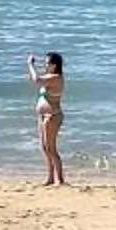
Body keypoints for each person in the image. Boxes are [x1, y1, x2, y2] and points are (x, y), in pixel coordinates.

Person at [27, 52, 67, 186]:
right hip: (44, 115)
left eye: (48, 63)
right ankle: (50, 178)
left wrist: (30, 65)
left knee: (52, 148)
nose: (45, 65)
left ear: (55, 65)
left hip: (52, 116)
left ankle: (60, 179)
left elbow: (37, 80)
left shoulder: (56, 78)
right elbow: (36, 80)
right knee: (45, 147)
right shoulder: (49, 77)